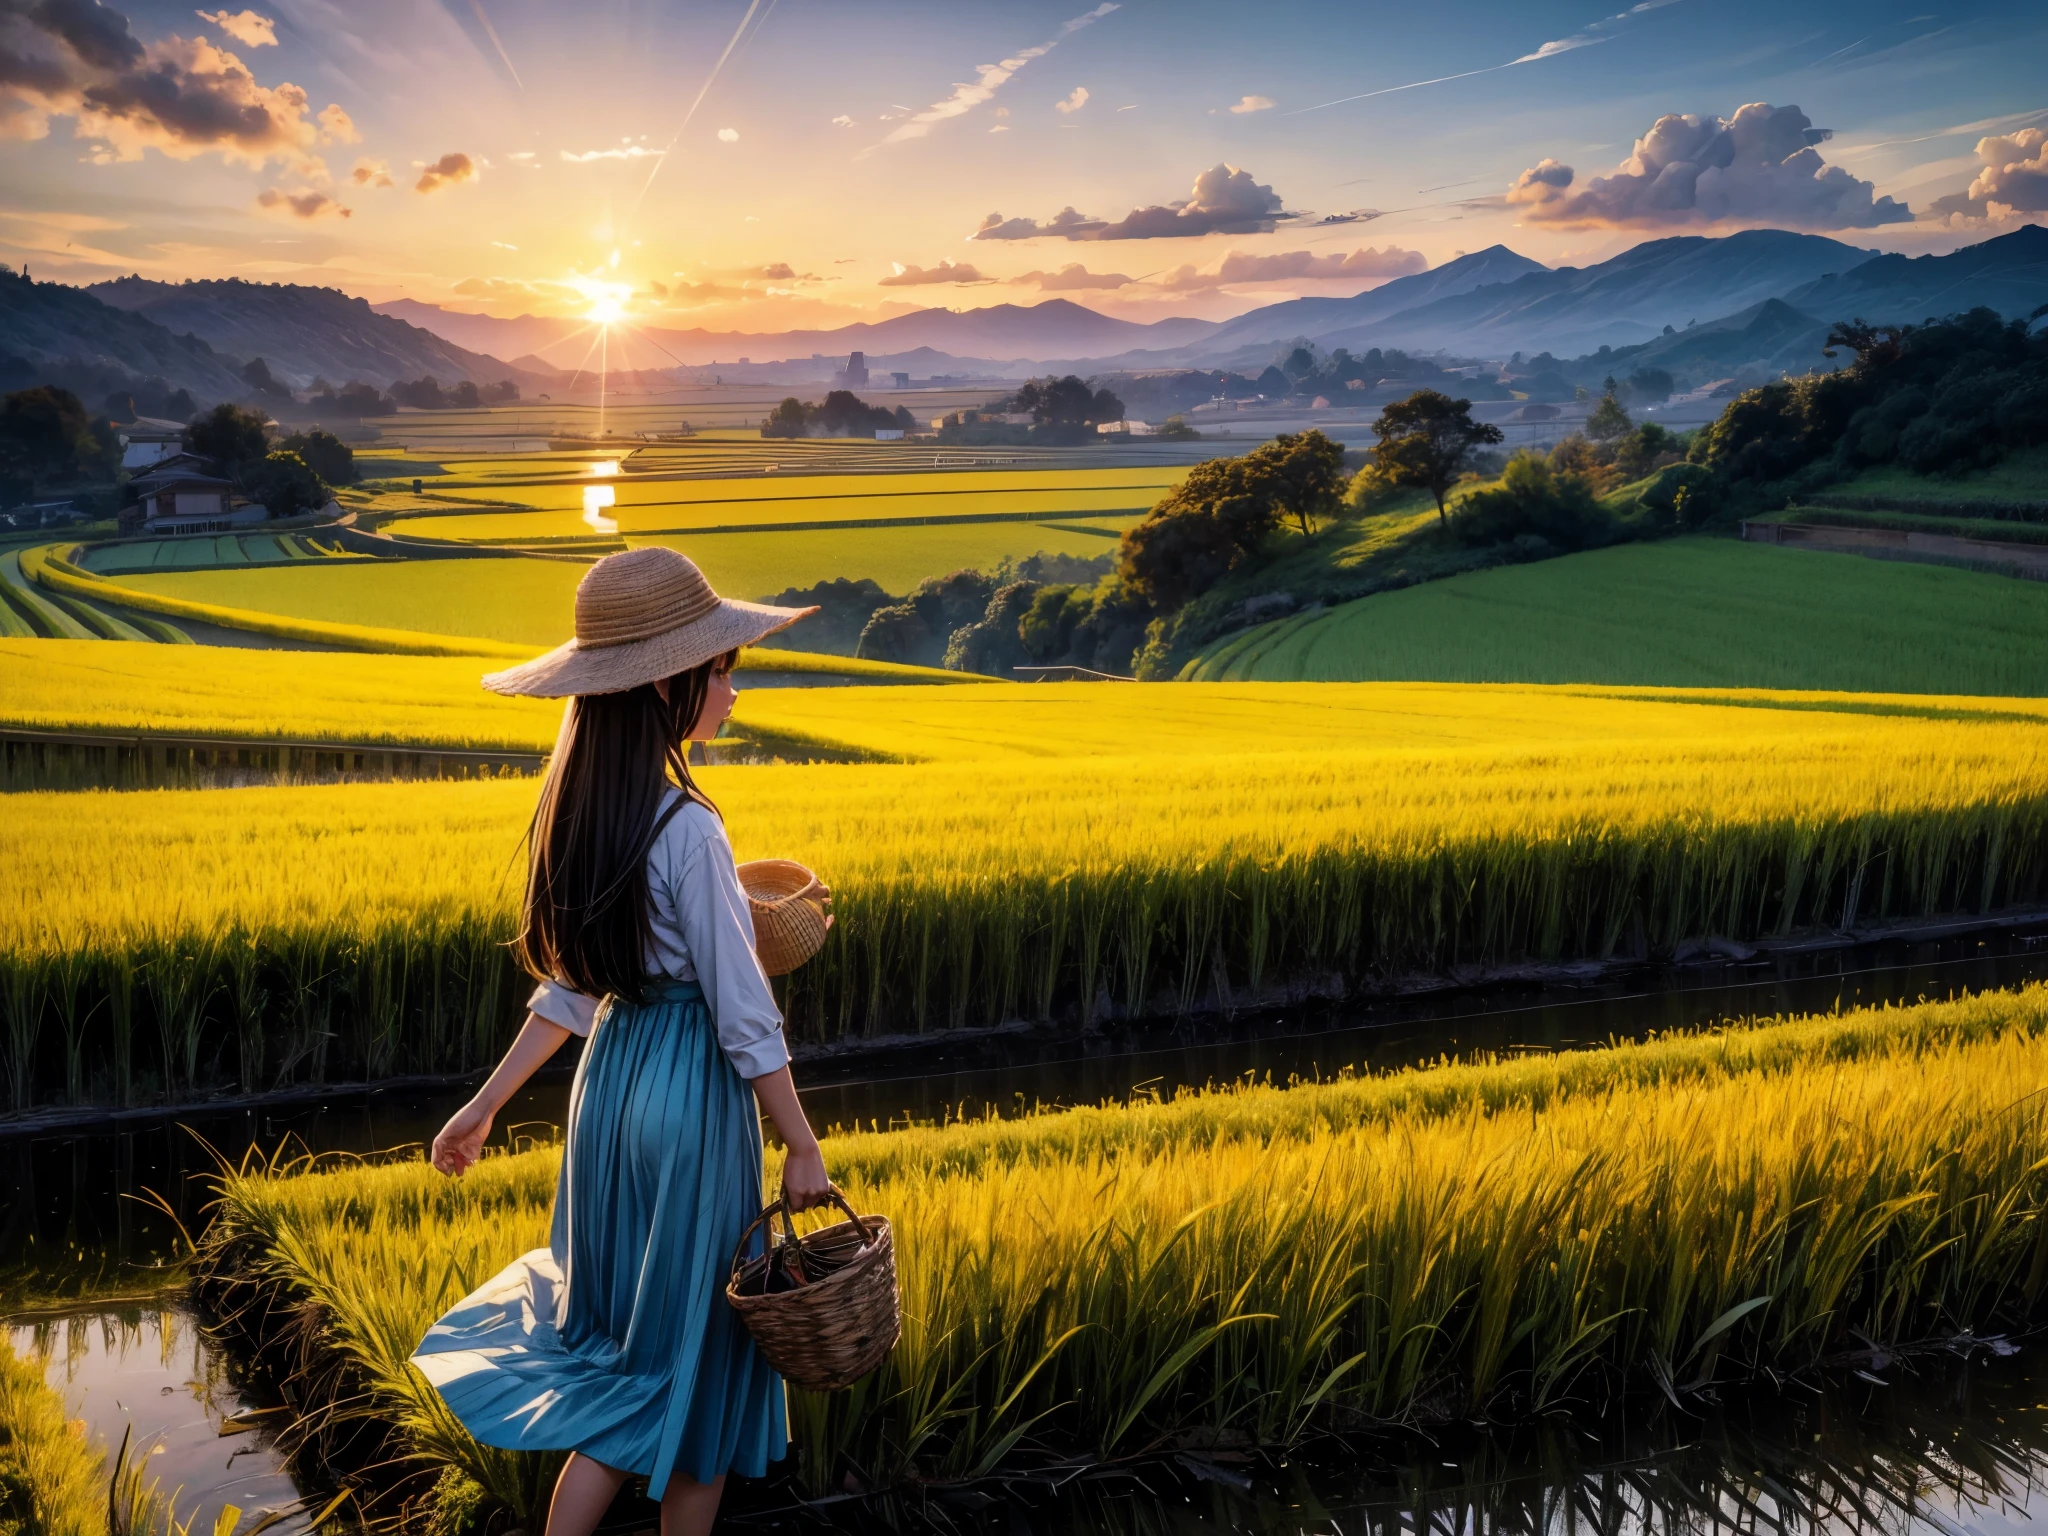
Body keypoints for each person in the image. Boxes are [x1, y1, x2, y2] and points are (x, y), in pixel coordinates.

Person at [411, 546, 831, 1536]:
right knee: (698, 1367)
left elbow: (569, 993)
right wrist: (801, 1142)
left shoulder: (587, 814)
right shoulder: (688, 827)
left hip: (608, 1096)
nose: (729, 689)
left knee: (621, 1358)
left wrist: (482, 1107)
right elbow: (740, 1012)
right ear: (664, 682)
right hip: (686, 1097)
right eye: (720, 670)